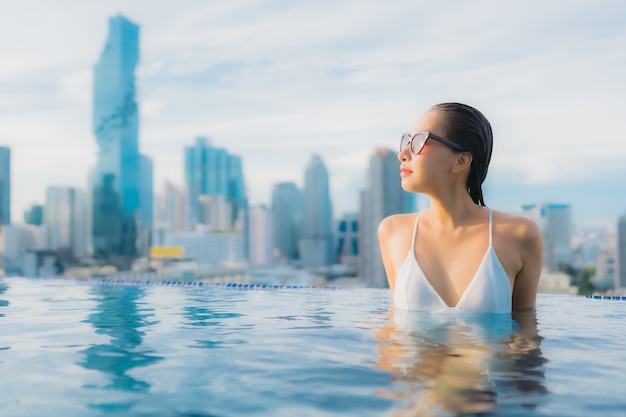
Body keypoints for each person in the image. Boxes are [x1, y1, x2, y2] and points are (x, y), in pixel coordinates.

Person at [378, 102, 543, 313]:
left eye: (419, 141)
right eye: (406, 141)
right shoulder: (392, 231)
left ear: (461, 160)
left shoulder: (519, 234)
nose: (402, 154)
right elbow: (396, 322)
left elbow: (525, 331)